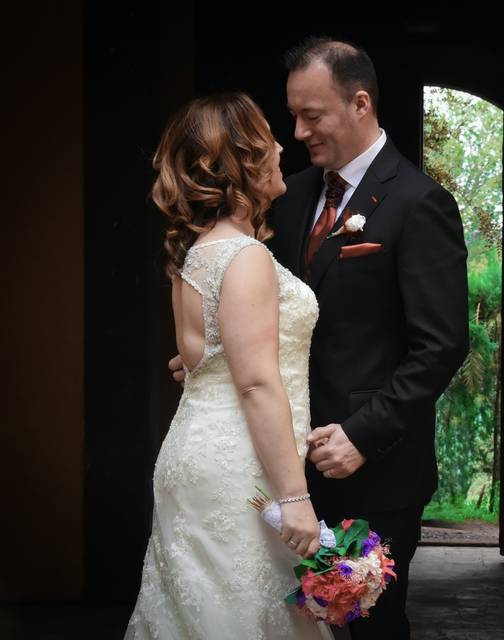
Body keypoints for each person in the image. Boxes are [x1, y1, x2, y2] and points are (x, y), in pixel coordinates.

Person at [169, 35, 470, 639]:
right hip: (275, 467)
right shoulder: (288, 193)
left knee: (368, 629)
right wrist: (214, 357)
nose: (300, 132)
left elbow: (441, 345)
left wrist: (364, 434)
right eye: (293, 116)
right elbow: (251, 301)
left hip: (373, 471)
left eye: (313, 115)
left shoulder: (420, 203)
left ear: (360, 104)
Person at [128, 92, 333, 639]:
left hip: (197, 458)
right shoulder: (245, 258)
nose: (282, 145)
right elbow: (257, 383)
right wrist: (296, 499)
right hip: (238, 470)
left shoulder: (196, 255)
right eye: (268, 138)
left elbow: (197, 360)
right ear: (242, 161)